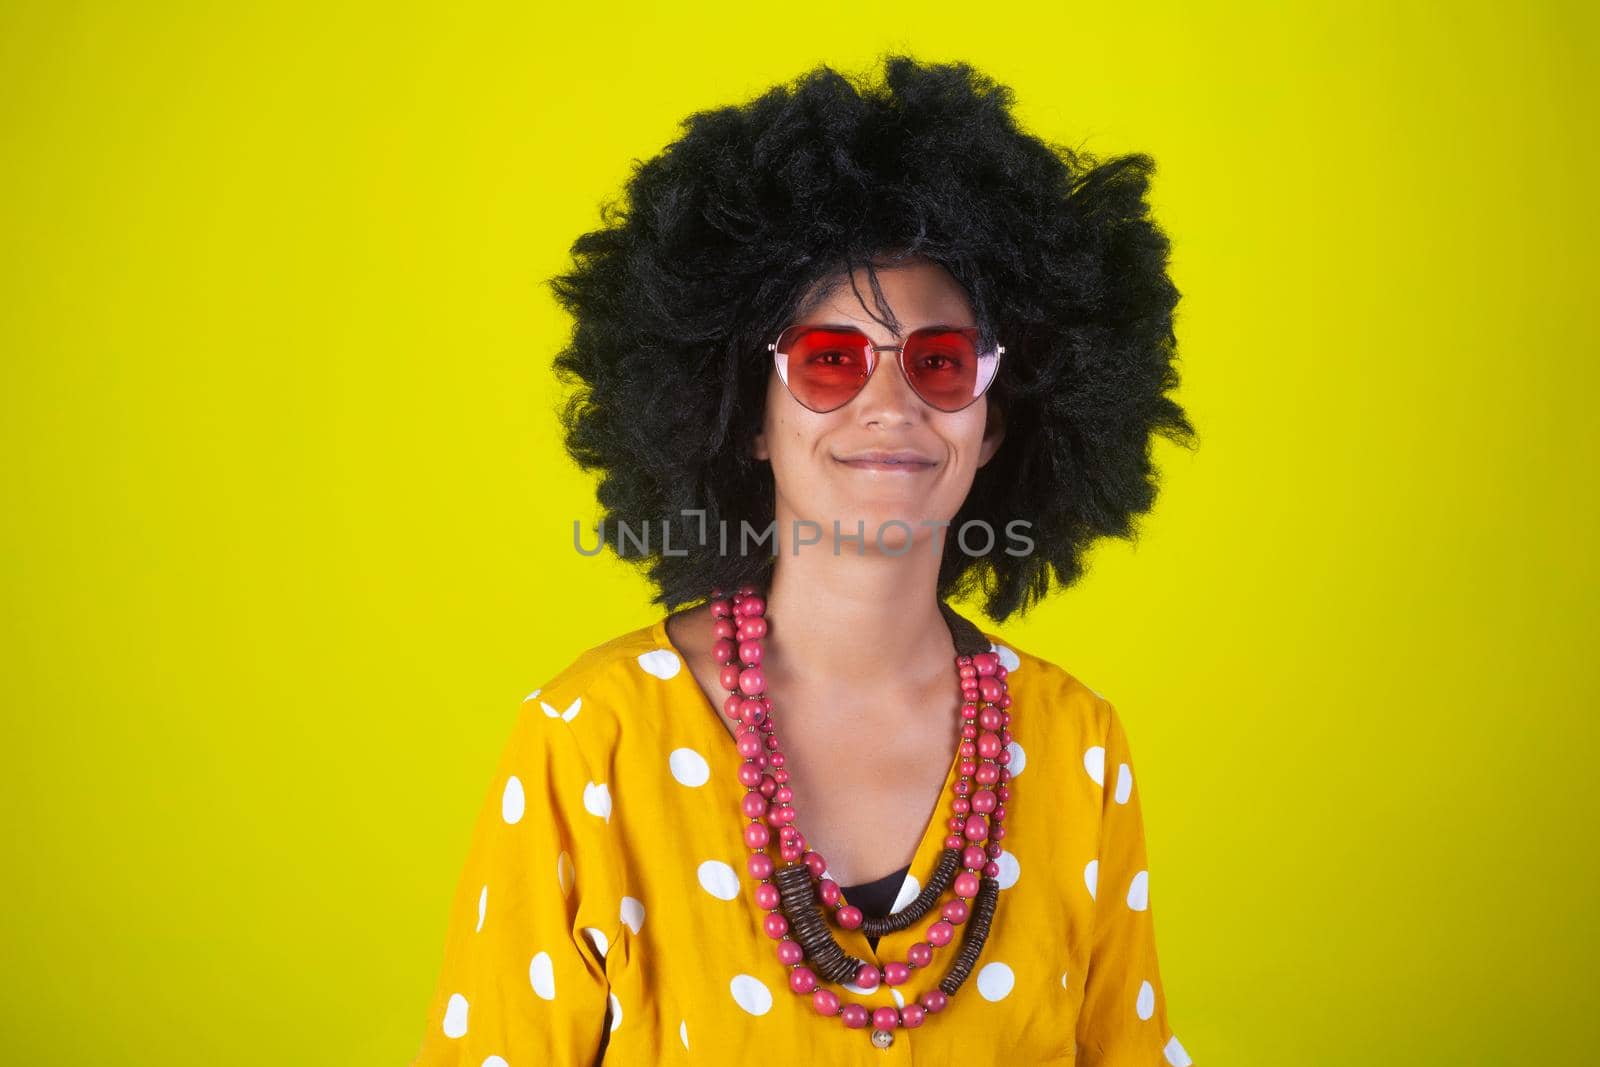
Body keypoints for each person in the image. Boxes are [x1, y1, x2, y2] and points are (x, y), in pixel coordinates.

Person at [410, 53, 1200, 1065]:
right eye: (828, 359)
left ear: (994, 422)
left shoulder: (1074, 744)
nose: (889, 403)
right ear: (747, 417)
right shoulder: (591, 738)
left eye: (940, 360)